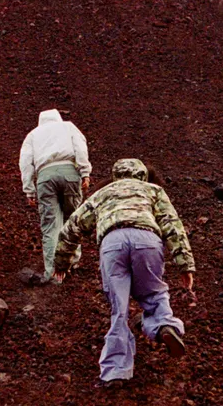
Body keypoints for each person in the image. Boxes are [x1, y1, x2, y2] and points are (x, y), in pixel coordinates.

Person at [54, 159, 195, 387]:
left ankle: (116, 371)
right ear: (142, 175)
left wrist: (62, 263)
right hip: (146, 240)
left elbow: (73, 226)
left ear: (115, 175)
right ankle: (163, 325)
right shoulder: (153, 190)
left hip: (113, 243)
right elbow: (173, 225)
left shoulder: (104, 193)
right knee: (153, 293)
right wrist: (185, 265)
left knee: (119, 309)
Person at [19, 109, 92, 283]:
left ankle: (54, 273)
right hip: (69, 173)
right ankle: (72, 262)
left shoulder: (33, 135)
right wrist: (85, 172)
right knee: (72, 220)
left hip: (45, 177)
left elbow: (25, 162)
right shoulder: (68, 127)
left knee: (51, 225)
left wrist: (29, 189)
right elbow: (80, 148)